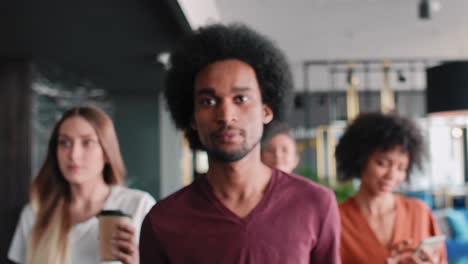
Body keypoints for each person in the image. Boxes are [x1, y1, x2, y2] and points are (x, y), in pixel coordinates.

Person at [139, 23, 340, 263]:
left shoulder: (315, 203)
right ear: (192, 117)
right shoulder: (164, 219)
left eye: (240, 98)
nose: (226, 115)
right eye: (208, 102)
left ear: (266, 111)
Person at [8, 106, 155, 264]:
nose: (73, 154)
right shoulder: (35, 214)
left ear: (106, 153)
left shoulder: (139, 206)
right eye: (64, 142)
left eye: (87, 143)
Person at [335, 112, 447, 264]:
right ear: (360, 160)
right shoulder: (337, 220)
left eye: (401, 168)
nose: (392, 175)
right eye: (382, 163)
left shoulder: (419, 213)